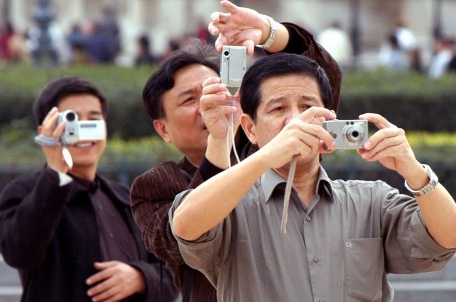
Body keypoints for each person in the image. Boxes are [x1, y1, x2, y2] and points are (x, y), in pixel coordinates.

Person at [170, 52, 456, 302]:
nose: (295, 120)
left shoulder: (370, 200)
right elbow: (185, 224)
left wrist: (414, 171)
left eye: (307, 107)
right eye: (278, 109)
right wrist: (270, 155)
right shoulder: (230, 204)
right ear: (249, 129)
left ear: (330, 120)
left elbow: (449, 238)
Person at [130, 1, 342, 301]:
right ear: (163, 129)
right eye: (190, 100)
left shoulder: (268, 144)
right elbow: (181, 239)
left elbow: (320, 81)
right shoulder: (155, 186)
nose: (208, 104)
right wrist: (219, 146)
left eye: (216, 89)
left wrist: (268, 33)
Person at [0, 76, 178, 302]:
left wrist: (140, 277)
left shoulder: (127, 198)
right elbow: (20, 253)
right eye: (71, 120)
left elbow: (172, 273)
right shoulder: (25, 192)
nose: (82, 130)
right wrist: (55, 174)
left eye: (93, 119)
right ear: (46, 130)